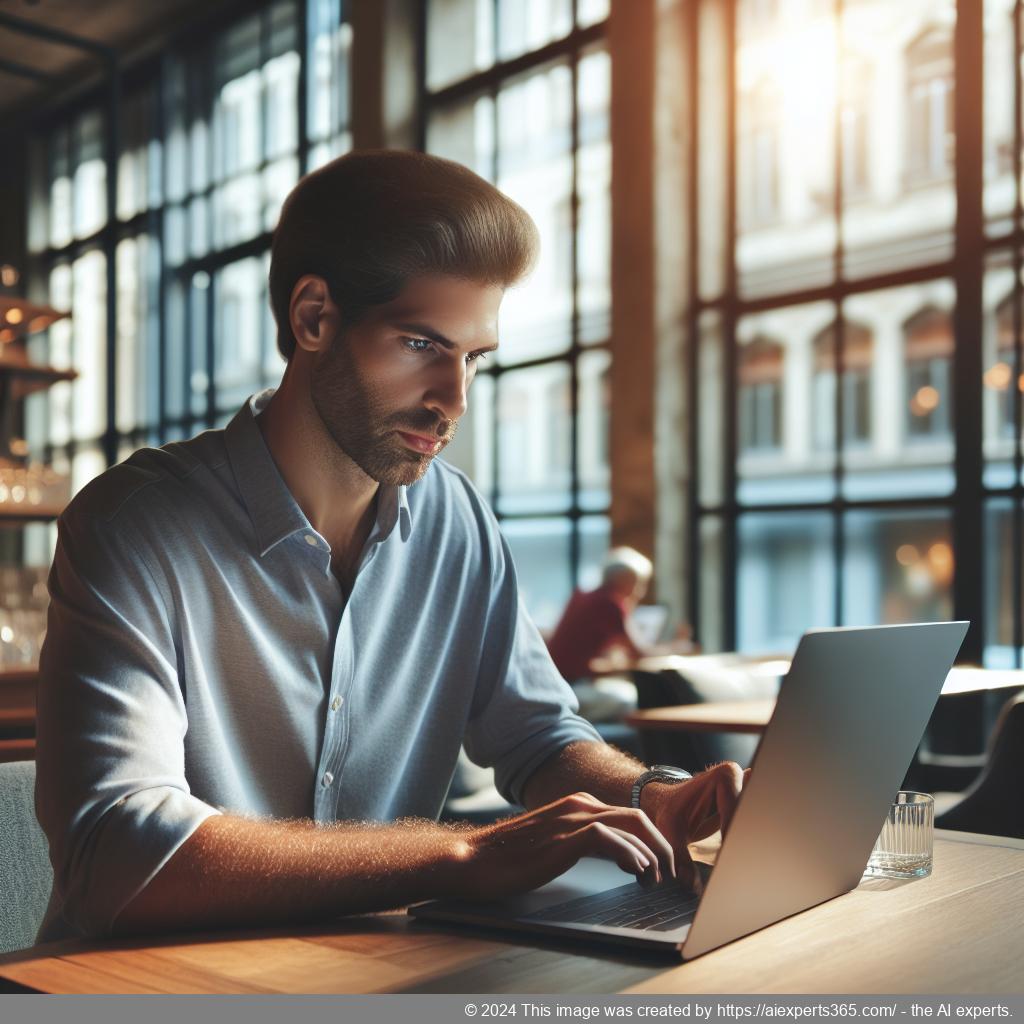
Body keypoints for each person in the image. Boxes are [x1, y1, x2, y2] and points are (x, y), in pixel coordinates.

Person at [34, 150, 745, 942]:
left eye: (473, 357)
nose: (454, 400)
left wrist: (652, 795)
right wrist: (459, 854)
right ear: (313, 318)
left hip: (363, 976)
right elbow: (112, 851)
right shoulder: (133, 525)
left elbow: (537, 737)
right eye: (421, 345)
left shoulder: (458, 520)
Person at [546, 548, 694, 723]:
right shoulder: (610, 603)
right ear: (624, 581)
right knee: (638, 699)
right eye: (638, 583)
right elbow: (641, 653)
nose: (640, 592)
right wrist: (678, 647)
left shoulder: (583, 596)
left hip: (560, 686)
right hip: (572, 690)